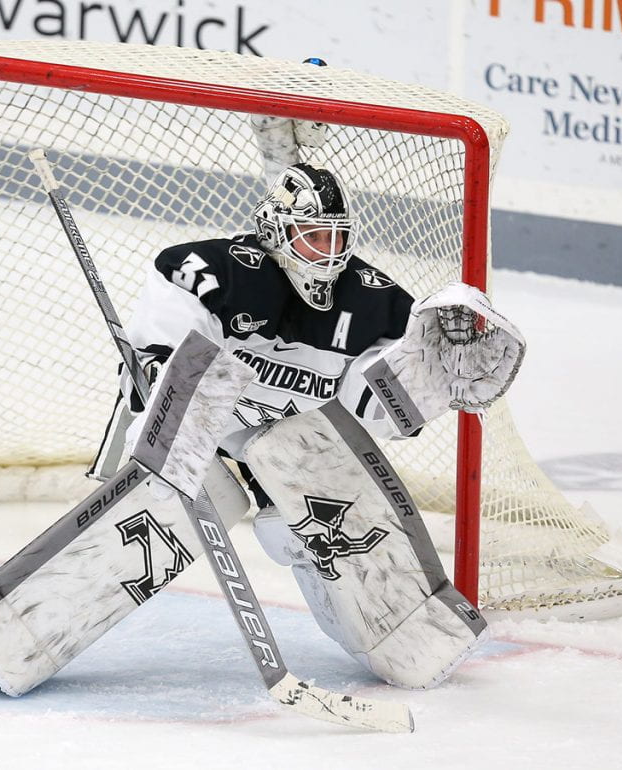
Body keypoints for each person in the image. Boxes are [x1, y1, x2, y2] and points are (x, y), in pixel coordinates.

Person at [118, 160, 526, 690]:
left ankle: (391, 636)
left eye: (337, 240)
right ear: (274, 230)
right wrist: (165, 412)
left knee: (294, 528)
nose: (328, 255)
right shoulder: (213, 271)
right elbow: (164, 372)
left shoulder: (373, 302)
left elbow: (372, 410)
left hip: (283, 443)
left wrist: (433, 374)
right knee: (182, 493)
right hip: (205, 430)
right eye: (312, 238)